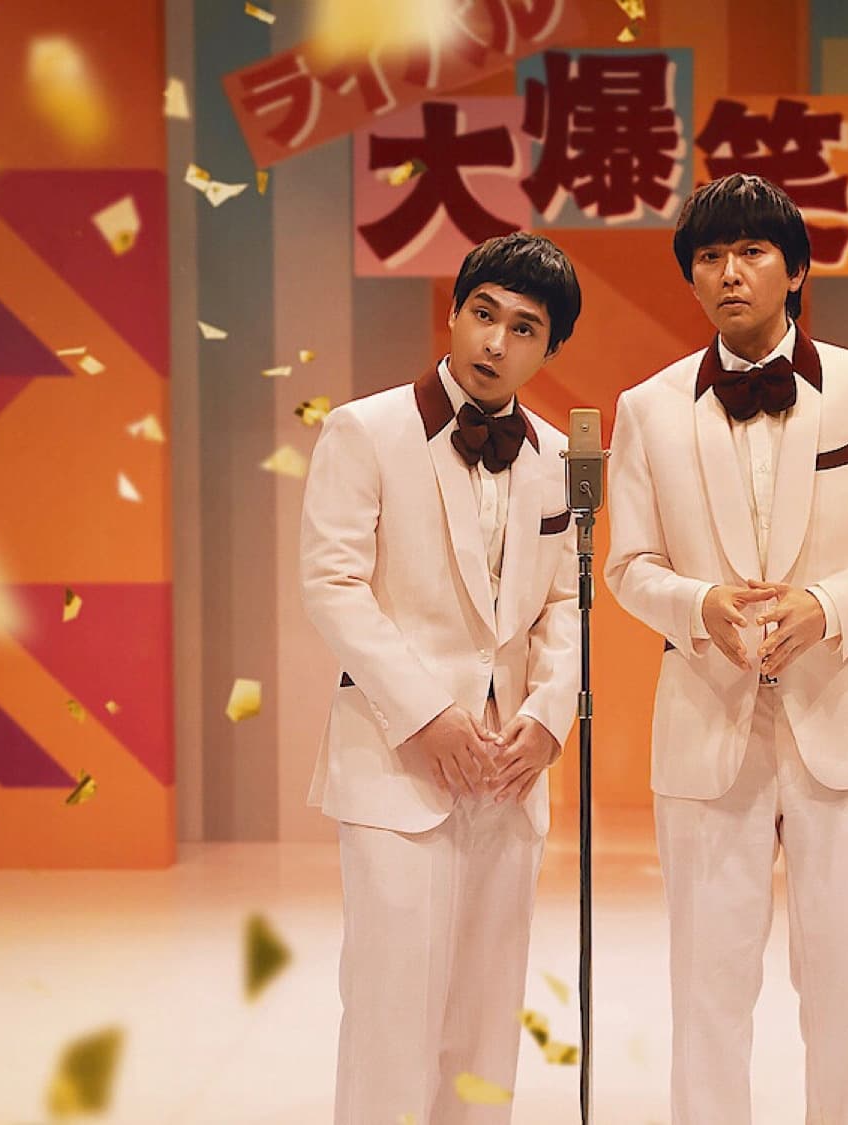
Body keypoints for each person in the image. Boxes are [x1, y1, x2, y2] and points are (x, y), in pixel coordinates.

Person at [604, 174, 848, 1125]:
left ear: (796, 271)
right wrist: (698, 603)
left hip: (847, 715)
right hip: (708, 720)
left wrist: (827, 605)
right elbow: (628, 565)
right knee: (707, 982)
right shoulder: (647, 407)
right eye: (710, 256)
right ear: (691, 276)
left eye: (752, 252)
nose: (730, 272)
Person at [301, 232, 583, 1124]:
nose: (496, 342)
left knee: (485, 1019)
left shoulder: (555, 454)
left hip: (509, 772)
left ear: (548, 347)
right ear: (454, 312)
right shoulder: (364, 430)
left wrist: (549, 719)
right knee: (389, 1011)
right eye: (483, 314)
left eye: (524, 328)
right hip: (397, 764)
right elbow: (333, 585)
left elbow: (567, 603)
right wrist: (426, 714)